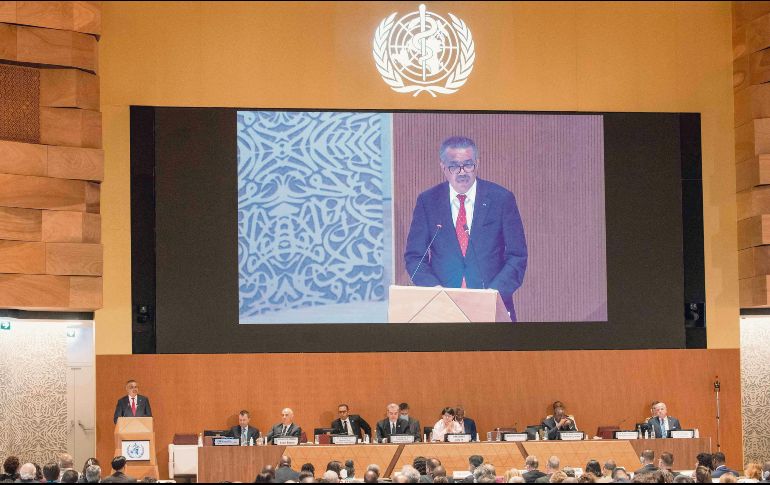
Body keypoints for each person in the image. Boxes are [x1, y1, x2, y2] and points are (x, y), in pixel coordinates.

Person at [404, 136, 527, 321]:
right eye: (454, 166)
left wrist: (494, 294)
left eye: (468, 165)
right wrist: (434, 291)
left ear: (477, 163)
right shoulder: (428, 201)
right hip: (442, 309)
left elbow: (517, 256)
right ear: (443, 167)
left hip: (492, 306)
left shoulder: (501, 199)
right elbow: (414, 257)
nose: (462, 172)